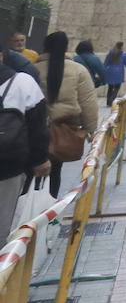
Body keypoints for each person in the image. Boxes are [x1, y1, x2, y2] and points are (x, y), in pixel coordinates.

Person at [40, 32, 99, 198]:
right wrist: (91, 130)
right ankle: (49, 207)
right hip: (63, 130)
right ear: (67, 47)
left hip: (35, 130)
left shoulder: (32, 69)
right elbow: (88, 103)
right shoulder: (78, 71)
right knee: (55, 171)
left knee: (32, 171)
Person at [0, 57, 49, 237]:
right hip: (8, 166)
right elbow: (37, 126)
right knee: (3, 222)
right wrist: (40, 160)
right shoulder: (22, 82)